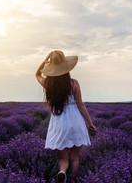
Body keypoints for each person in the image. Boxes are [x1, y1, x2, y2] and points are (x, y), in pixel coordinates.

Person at [36, 50, 97, 183]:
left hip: (59, 123)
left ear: (52, 67)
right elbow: (80, 105)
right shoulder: (74, 83)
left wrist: (47, 60)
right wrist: (90, 123)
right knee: (75, 158)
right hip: (76, 121)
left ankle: (62, 172)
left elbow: (37, 74)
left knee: (63, 158)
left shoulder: (48, 84)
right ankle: (73, 180)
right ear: (66, 66)